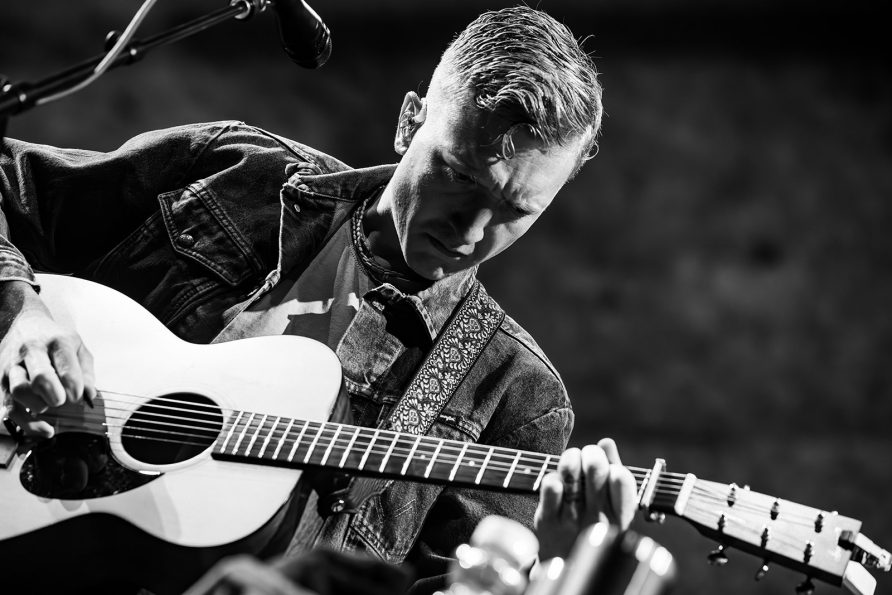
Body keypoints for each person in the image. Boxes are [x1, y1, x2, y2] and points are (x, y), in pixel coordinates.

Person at [0, 6, 636, 593]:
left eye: (515, 210)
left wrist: (560, 562)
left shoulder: (513, 395)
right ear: (409, 120)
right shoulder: (238, 174)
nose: (469, 229)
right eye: (459, 176)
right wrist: (19, 310)